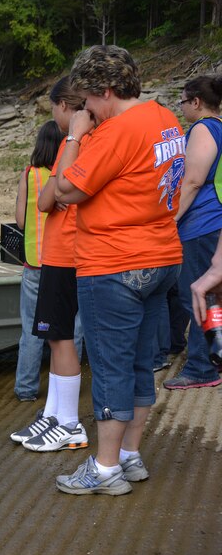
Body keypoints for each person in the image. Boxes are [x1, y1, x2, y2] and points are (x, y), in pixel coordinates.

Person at [49, 45, 184, 495]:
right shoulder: (166, 119)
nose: (85, 108)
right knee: (141, 363)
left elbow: (66, 190)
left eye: (87, 98)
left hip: (114, 263)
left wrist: (75, 138)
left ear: (106, 91)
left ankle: (104, 469)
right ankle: (129, 455)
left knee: (110, 367)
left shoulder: (115, 131)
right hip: (162, 256)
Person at [10, 78, 87, 452]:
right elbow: (47, 198)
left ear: (63, 106)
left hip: (65, 255)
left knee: (63, 337)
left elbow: (45, 201)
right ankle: (53, 415)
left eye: (54, 107)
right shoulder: (68, 148)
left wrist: (54, 188)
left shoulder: (75, 144)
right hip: (54, 257)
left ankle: (69, 423)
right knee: (57, 337)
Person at [161, 75, 222, 389]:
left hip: (202, 224)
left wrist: (170, 219)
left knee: (195, 295)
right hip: (213, 224)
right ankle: (214, 357)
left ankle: (201, 368)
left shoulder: (202, 129)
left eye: (183, 102)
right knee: (212, 296)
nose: (181, 107)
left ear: (196, 102)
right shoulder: (220, 127)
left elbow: (194, 180)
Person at [12, 120, 61, 402]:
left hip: (35, 262)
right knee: (70, 330)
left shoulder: (29, 175)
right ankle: (63, 387)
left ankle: (26, 390)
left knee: (32, 329)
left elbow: (20, 220)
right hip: (66, 263)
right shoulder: (68, 174)